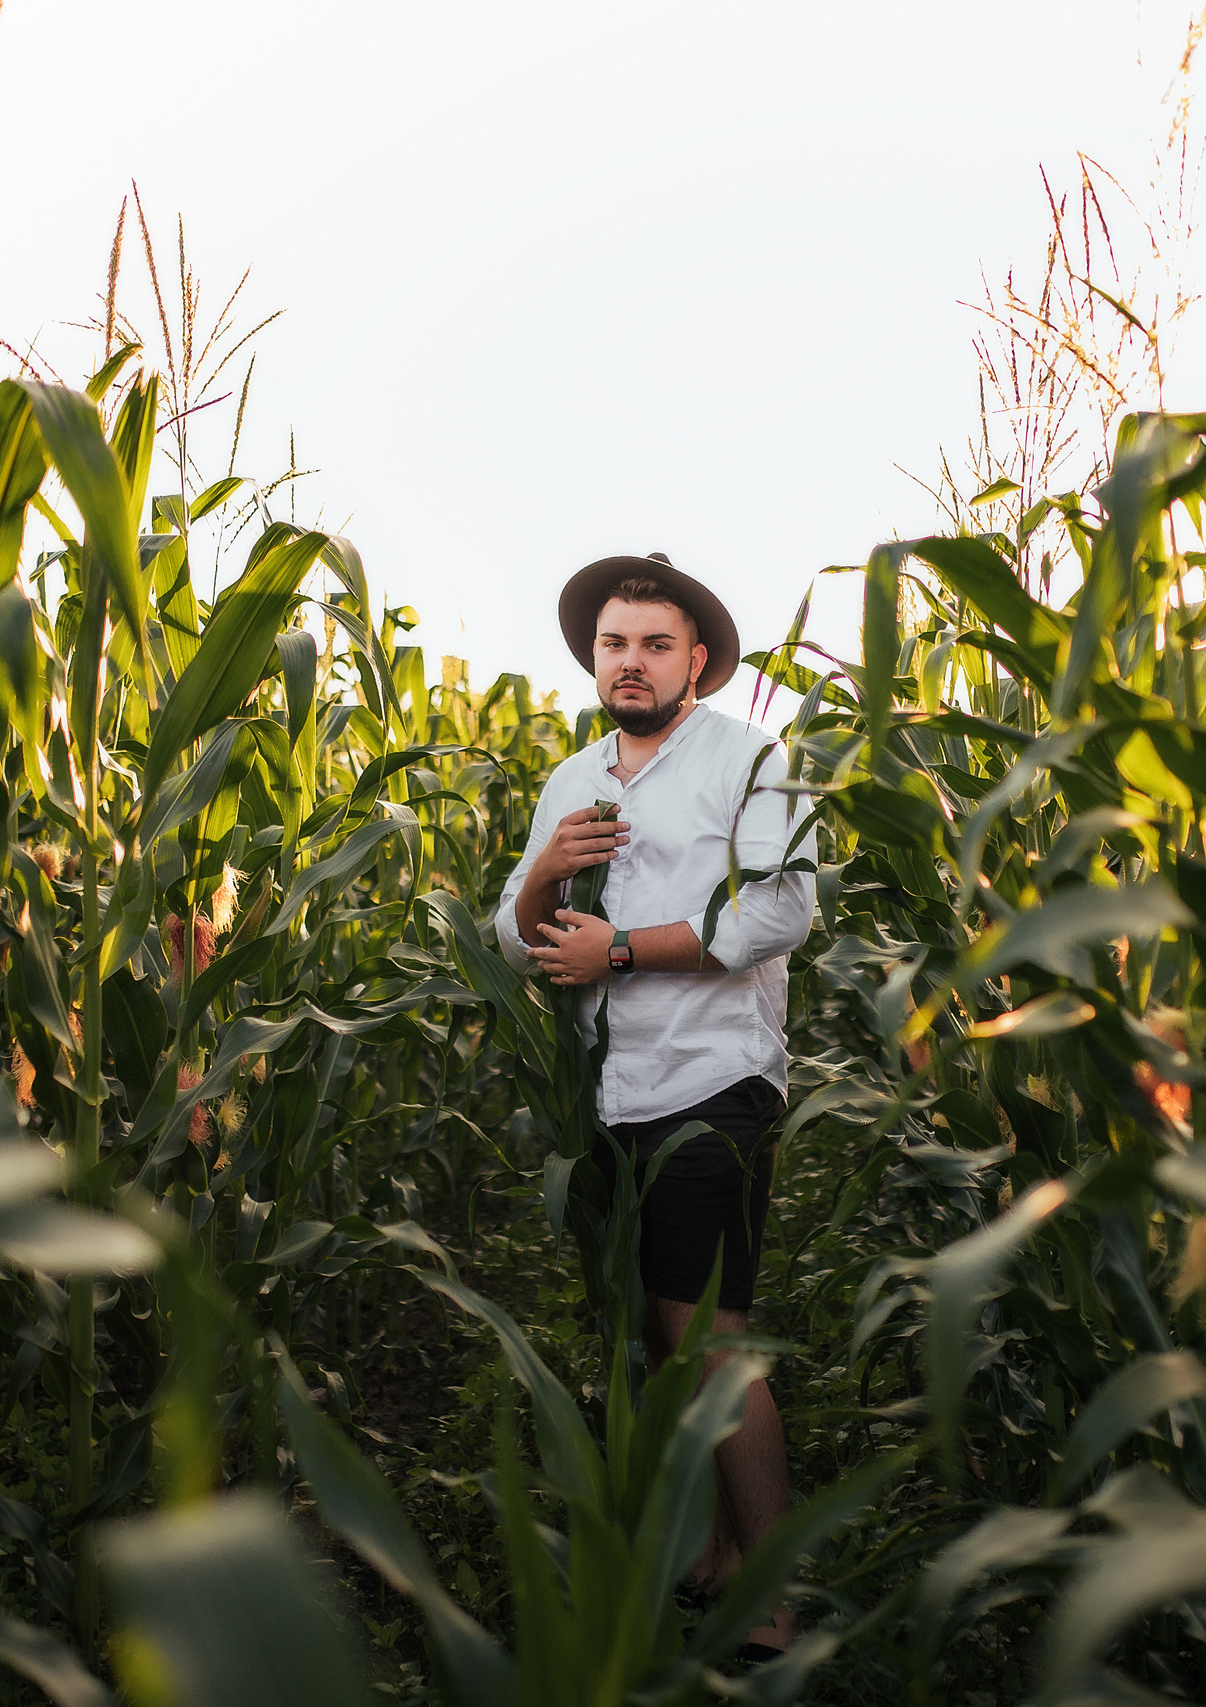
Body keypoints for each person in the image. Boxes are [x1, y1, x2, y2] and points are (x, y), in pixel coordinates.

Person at [494, 551, 817, 1655]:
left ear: (698, 659)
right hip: (607, 1091)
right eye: (614, 644)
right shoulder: (572, 778)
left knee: (710, 1338)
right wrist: (547, 873)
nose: (630, 662)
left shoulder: (751, 759)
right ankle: (711, 1550)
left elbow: (778, 912)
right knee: (651, 1331)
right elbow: (515, 935)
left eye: (654, 644)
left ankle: (772, 1597)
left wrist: (622, 948)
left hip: (712, 1079)